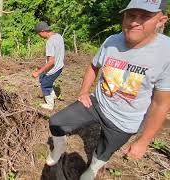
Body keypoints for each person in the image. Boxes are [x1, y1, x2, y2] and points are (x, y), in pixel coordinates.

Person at [46, 0, 170, 179]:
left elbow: (161, 104)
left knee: (104, 151)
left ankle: (93, 169)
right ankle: (59, 148)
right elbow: (93, 66)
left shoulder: (166, 53)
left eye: (144, 17)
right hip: (97, 103)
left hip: (126, 121)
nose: (134, 21)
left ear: (160, 21)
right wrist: (83, 91)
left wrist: (143, 141)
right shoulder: (112, 41)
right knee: (56, 122)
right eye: (131, 15)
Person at [33, 21, 65, 110]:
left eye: (39, 33)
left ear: (43, 31)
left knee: (44, 84)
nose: (39, 35)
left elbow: (51, 62)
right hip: (60, 66)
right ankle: (53, 95)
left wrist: (38, 72)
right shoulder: (58, 36)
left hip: (54, 69)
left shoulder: (50, 42)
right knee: (43, 78)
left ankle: (50, 105)